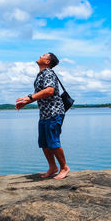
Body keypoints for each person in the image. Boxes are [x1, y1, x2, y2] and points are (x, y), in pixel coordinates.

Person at [15, 52, 70, 180]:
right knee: (44, 143)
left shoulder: (48, 73)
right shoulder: (40, 74)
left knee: (53, 142)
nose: (40, 56)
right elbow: (40, 93)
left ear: (47, 62)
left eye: (43, 55)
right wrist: (26, 102)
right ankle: (53, 167)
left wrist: (30, 97)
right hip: (45, 114)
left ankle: (64, 167)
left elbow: (49, 90)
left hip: (54, 112)